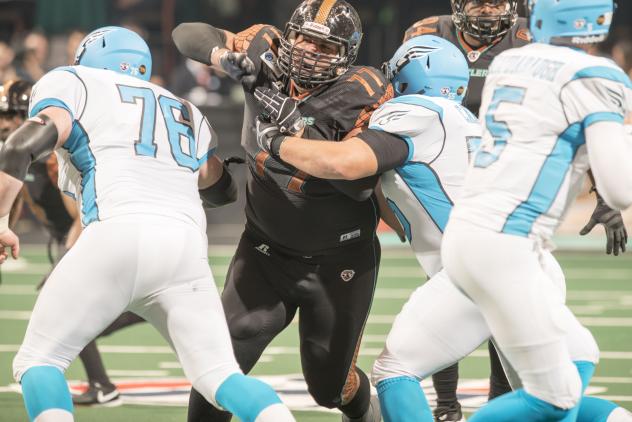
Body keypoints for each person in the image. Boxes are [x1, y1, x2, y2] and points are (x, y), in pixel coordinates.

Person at [256, 31, 632, 422]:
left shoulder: (413, 114)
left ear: (407, 80)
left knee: (397, 371)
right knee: (551, 393)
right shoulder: (466, 121)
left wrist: (277, 141)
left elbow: (347, 164)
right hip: (525, 262)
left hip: (477, 271)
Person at [2, 26, 295, 422]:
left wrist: (2, 220)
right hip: (184, 248)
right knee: (220, 375)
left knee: (40, 360)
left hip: (116, 232)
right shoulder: (183, 107)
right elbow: (221, 190)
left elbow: (19, 147)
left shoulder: (74, 82)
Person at [172, 2, 391, 421]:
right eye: (304, 37)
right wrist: (225, 57)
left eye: (324, 46)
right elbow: (187, 32)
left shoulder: (364, 90)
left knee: (330, 386)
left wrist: (300, 131)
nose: (308, 50)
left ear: (346, 55)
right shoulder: (263, 48)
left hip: (338, 260)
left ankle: (367, 412)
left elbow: (359, 185)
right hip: (265, 248)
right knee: (220, 361)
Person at [441, 0, 632, 419]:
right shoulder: (593, 74)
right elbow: (620, 187)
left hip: (468, 227)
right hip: (508, 239)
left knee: (577, 352)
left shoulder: (512, 59)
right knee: (557, 393)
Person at [1, 79, 144, 407]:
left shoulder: (52, 156)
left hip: (90, 236)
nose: (5, 124)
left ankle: (102, 384)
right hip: (75, 239)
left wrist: (66, 258)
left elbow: (80, 212)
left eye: (11, 116)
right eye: (2, 116)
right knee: (82, 324)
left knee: (64, 316)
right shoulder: (18, 152)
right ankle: (148, 313)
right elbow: (16, 194)